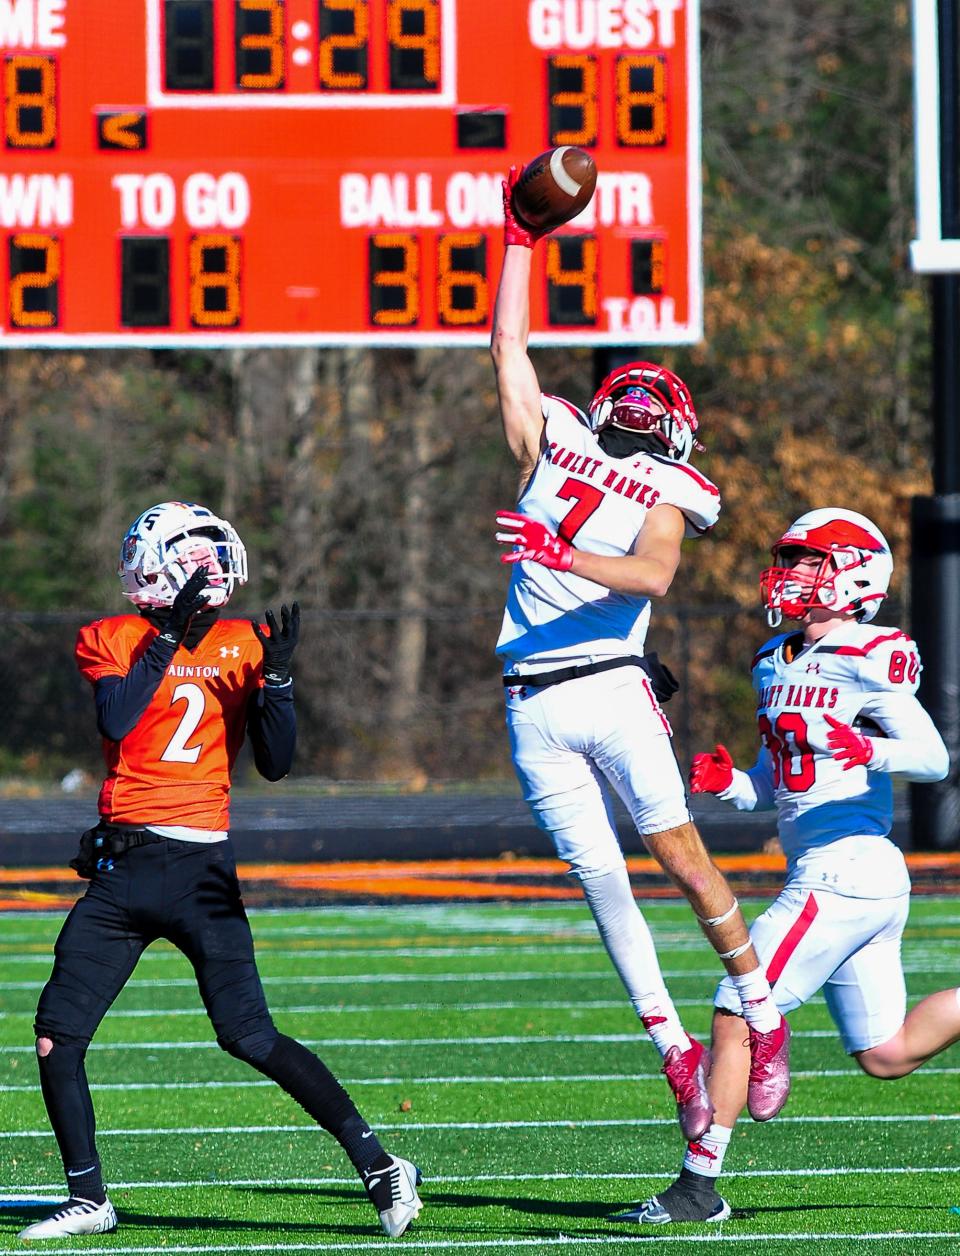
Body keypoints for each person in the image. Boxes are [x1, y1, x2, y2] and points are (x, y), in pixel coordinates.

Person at [19, 501, 422, 1242]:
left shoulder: (242, 644)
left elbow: (276, 763)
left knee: (249, 1034)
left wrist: (282, 681)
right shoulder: (113, 638)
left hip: (200, 870)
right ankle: (88, 1199)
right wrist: (168, 635)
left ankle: (379, 1163)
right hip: (124, 870)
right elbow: (118, 717)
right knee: (57, 1035)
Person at [489, 164, 790, 1144]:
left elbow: (654, 574)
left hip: (611, 688)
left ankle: (762, 1009)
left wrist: (556, 550)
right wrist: (518, 239)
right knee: (604, 883)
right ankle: (676, 1053)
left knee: (683, 858)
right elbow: (508, 343)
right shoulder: (560, 437)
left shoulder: (661, 484)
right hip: (534, 699)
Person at [629, 507, 952, 1226]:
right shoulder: (774, 659)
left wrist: (871, 750)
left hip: (845, 870)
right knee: (886, 1052)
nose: (792, 573)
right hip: (849, 873)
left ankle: (697, 1188)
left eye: (810, 561)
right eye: (792, 559)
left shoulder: (873, 650)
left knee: (736, 1005)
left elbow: (932, 757)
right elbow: (776, 784)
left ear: (854, 574)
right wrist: (733, 785)